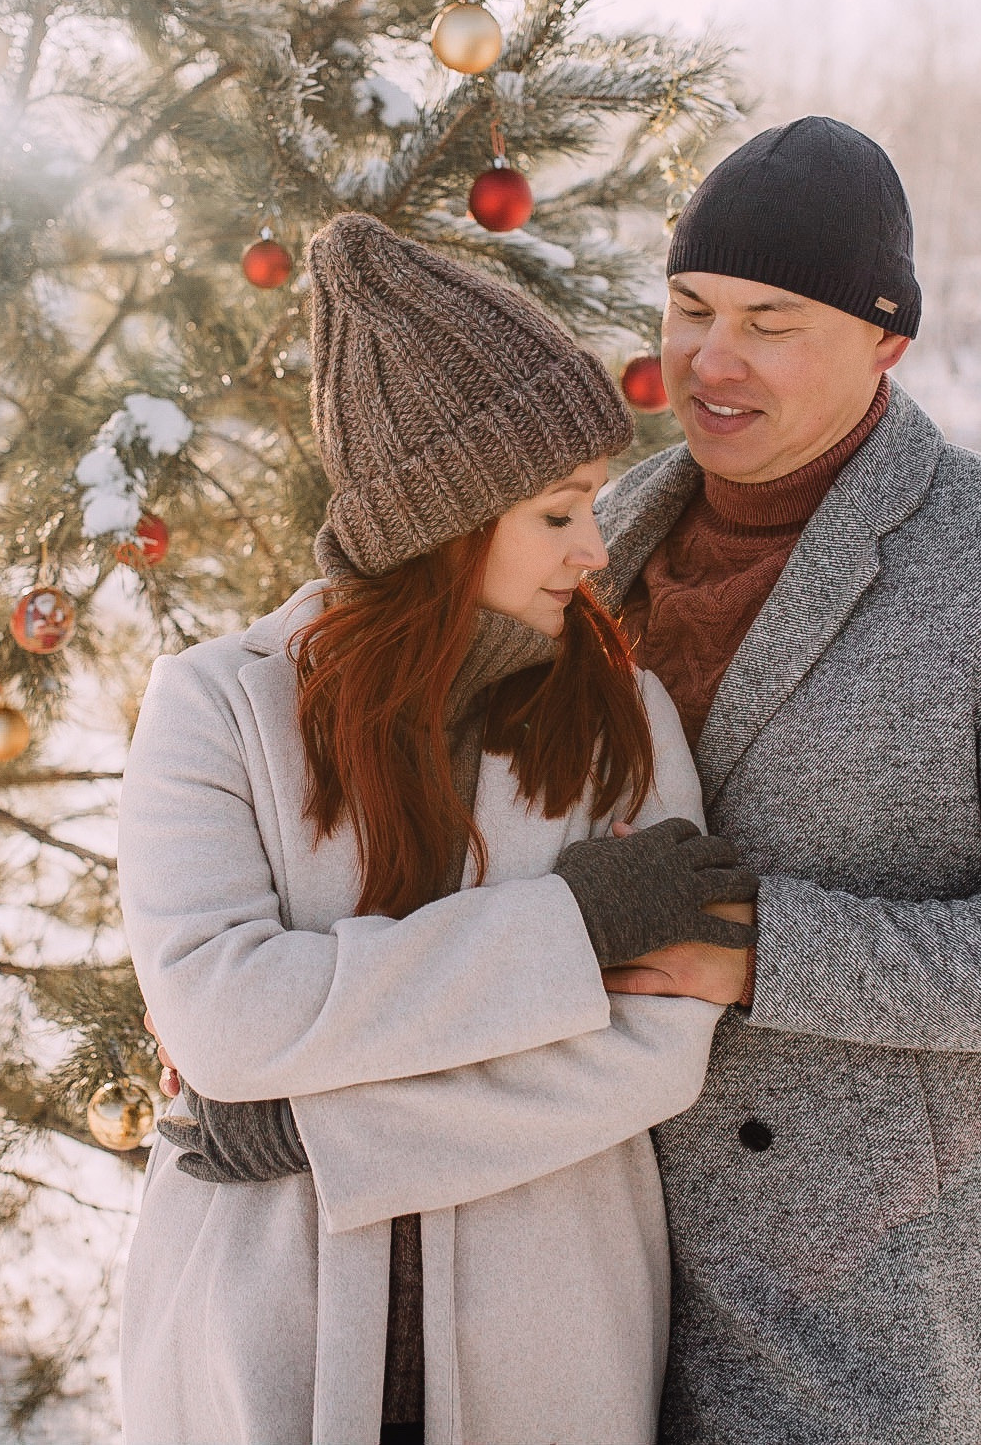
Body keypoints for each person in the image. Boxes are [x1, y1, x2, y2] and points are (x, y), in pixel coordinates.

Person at [116, 212, 758, 1445]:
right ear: (443, 523)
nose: (595, 547)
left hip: (545, 1329)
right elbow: (224, 1019)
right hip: (262, 1317)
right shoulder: (213, 709)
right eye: (557, 513)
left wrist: (316, 1127)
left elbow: (655, 1045)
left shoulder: (619, 717)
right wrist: (569, 932)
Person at [597, 116, 981, 1444]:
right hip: (573, 1226)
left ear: (886, 340)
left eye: (770, 321)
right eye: (689, 308)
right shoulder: (606, 528)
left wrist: (765, 953)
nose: (711, 358)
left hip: (843, 1282)